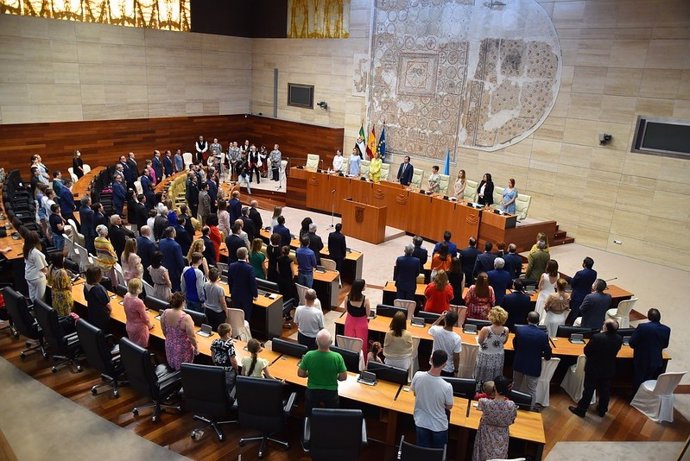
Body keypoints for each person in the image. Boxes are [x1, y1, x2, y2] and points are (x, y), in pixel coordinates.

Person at [569, 319, 623, 418]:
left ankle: (581, 410)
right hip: (608, 368)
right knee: (605, 390)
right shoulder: (619, 338)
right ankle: (602, 410)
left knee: (589, 390)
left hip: (594, 368)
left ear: (606, 327)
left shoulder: (597, 337)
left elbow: (587, 351)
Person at [410, 349, 454, 449]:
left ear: (431, 359)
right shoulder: (447, 386)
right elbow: (449, 406)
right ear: (444, 364)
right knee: (438, 455)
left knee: (423, 453)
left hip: (421, 422)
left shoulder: (418, 375)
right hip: (439, 426)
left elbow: (415, 393)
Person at [297, 329, 347, 415]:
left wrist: (309, 373)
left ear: (316, 342)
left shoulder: (309, 355)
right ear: (331, 342)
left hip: (312, 392)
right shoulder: (337, 357)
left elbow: (300, 373)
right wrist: (335, 376)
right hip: (331, 393)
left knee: (310, 415)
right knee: (332, 416)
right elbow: (343, 377)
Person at [472, 375, 517, 461]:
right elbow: (512, 420)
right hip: (502, 439)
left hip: (485, 437)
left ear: (495, 388)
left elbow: (479, 406)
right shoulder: (511, 405)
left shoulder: (484, 402)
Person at [512, 311, 552, 407]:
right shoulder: (543, 335)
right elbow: (547, 351)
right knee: (532, 390)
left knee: (516, 386)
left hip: (519, 362)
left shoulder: (520, 330)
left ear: (527, 319)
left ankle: (513, 405)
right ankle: (530, 408)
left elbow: (515, 344)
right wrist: (547, 357)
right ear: (538, 321)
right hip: (533, 365)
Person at [629, 308, 671, 392]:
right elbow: (665, 345)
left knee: (639, 379)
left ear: (648, 317)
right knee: (650, 379)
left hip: (641, 359)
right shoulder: (666, 329)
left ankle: (637, 397)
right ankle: (648, 398)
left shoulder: (642, 327)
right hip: (656, 359)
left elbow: (632, 342)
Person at [161, 292, 197, 370]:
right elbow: (191, 336)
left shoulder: (165, 313)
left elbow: (163, 329)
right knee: (184, 369)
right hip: (183, 349)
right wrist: (196, 347)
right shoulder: (186, 318)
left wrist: (170, 339)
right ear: (183, 302)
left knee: (172, 366)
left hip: (169, 345)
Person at [474, 307, 509, 383]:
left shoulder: (485, 329)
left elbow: (480, 341)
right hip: (498, 357)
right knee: (495, 377)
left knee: (482, 376)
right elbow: (504, 342)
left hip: (485, 356)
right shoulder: (506, 330)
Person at [227, 247, 258, 322]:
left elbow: (230, 281)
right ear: (246, 256)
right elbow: (252, 283)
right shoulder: (249, 268)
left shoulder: (232, 266)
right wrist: (255, 294)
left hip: (235, 293)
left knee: (236, 315)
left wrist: (231, 291)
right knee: (245, 316)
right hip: (246, 296)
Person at [343, 279, 370, 359]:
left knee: (349, 343)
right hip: (361, 324)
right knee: (361, 345)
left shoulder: (347, 297)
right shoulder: (366, 299)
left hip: (349, 322)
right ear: (361, 287)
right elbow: (368, 314)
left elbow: (346, 309)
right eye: (365, 285)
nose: (366, 286)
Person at [429, 310, 462, 377]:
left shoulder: (436, 330)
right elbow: (456, 357)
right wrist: (456, 370)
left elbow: (432, 327)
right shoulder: (457, 338)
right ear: (455, 323)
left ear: (445, 319)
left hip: (434, 364)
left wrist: (440, 317)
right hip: (448, 369)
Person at [566, 256, 597, 324]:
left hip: (577, 296)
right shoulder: (594, 273)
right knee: (582, 312)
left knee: (574, 312)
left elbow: (573, 284)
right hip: (587, 294)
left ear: (585, 264)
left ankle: (571, 325)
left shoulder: (580, 273)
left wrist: (569, 279)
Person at [210, 323, 239, 396]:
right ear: (228, 333)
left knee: (220, 385)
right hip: (228, 371)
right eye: (231, 331)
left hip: (218, 369)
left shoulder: (215, 341)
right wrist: (236, 369)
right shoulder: (229, 345)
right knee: (228, 388)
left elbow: (213, 355)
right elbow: (233, 360)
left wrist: (216, 364)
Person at [124, 278, 154, 348]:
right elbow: (145, 319)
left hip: (129, 326)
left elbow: (132, 310)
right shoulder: (138, 302)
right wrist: (150, 325)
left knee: (134, 349)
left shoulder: (126, 296)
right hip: (139, 330)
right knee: (142, 349)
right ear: (138, 288)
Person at [84, 267, 111, 331]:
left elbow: (86, 298)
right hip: (101, 316)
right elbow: (106, 301)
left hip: (92, 313)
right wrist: (110, 310)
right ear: (97, 277)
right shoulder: (98, 288)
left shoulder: (85, 286)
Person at [23, 231, 48, 302]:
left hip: (29, 276)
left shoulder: (26, 249)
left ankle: (34, 309)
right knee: (40, 299)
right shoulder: (36, 253)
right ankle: (40, 312)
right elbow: (42, 268)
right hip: (37, 278)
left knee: (33, 296)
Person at [159, 226, 185, 292]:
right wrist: (183, 270)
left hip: (163, 268)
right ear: (173, 233)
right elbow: (180, 261)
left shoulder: (161, 241)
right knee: (175, 289)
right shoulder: (176, 245)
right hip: (174, 271)